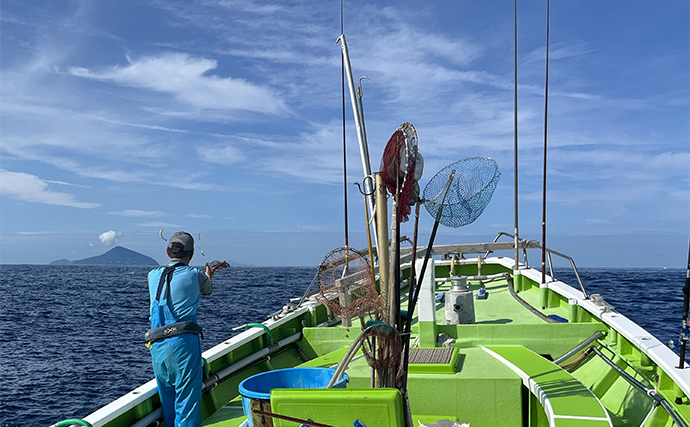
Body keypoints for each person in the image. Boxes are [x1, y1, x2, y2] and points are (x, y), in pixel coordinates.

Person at [146, 231, 213, 427]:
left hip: (157, 347)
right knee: (187, 402)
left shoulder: (152, 275)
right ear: (191, 255)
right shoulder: (195, 274)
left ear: (167, 251)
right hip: (182, 346)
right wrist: (209, 274)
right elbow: (207, 289)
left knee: (168, 400)